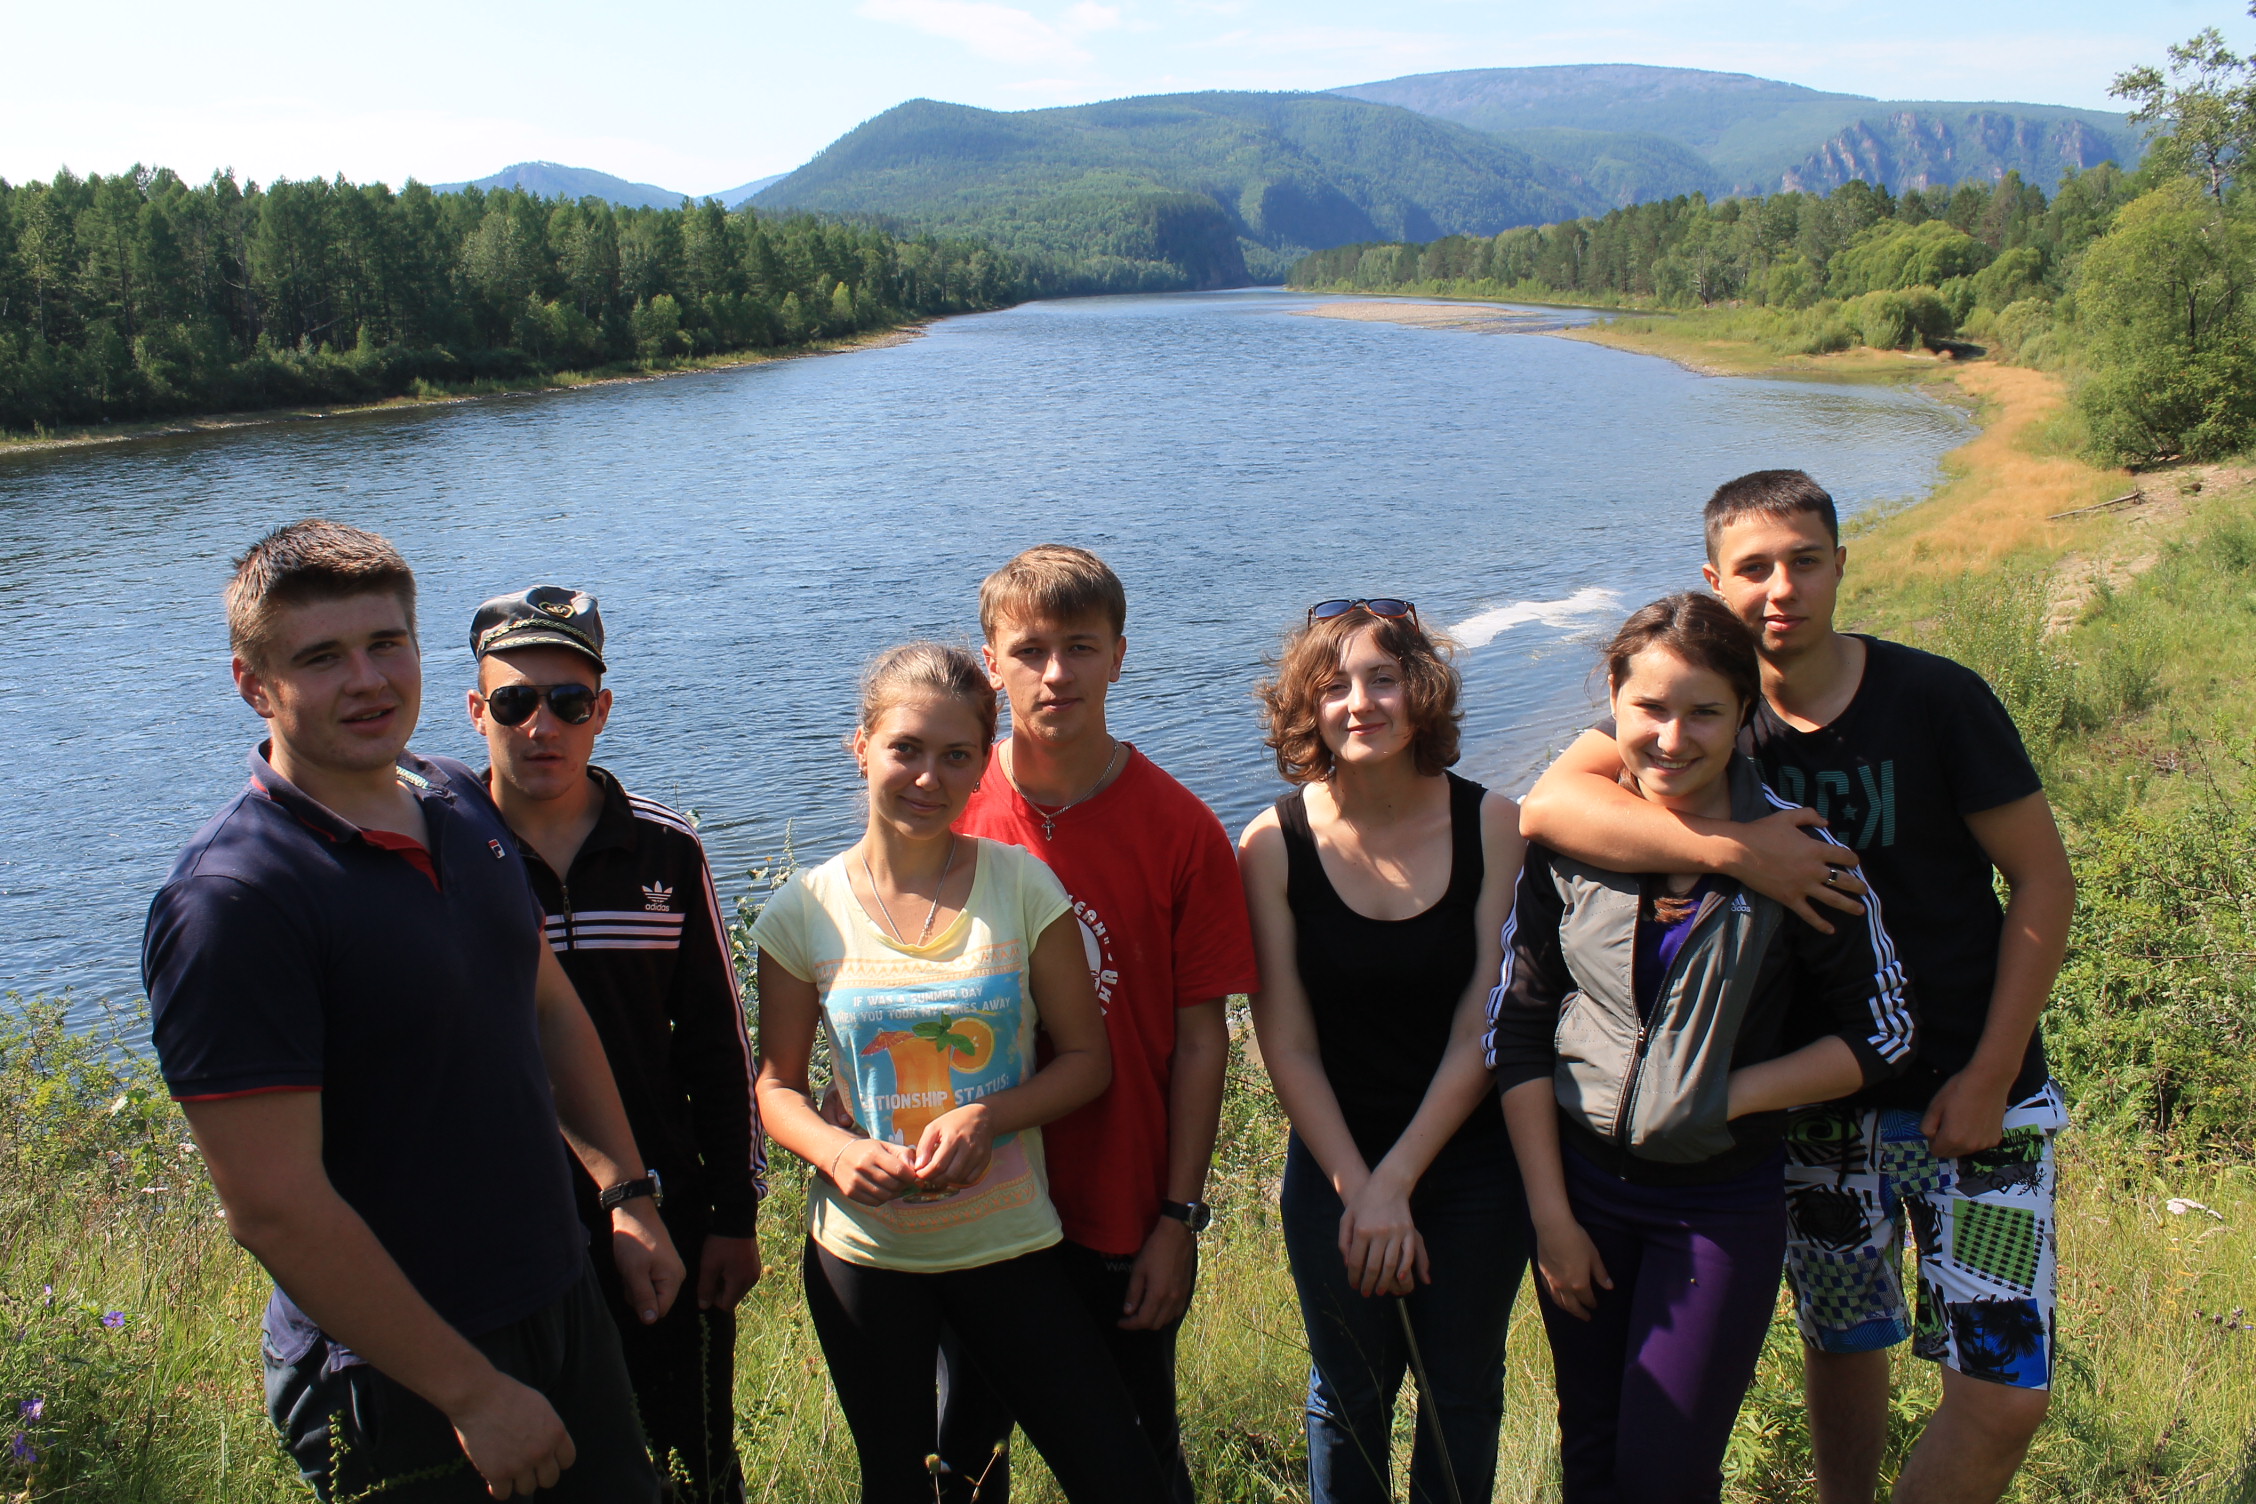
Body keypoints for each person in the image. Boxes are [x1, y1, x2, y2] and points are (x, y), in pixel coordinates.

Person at [1519, 471, 2075, 1504]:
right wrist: (1741, 853)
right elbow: (1549, 806)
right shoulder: (1712, 711)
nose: (1782, 589)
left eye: (1805, 561)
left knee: (2004, 1386)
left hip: (1974, 1093)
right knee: (1844, 1343)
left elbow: (2044, 880)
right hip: (1811, 1112)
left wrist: (1994, 1070)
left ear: (1841, 566)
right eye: (1754, 568)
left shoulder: (1934, 698)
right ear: (1714, 581)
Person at [143, 520, 683, 1503]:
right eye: (321, 657)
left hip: (560, 1300)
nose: (368, 681)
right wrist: (470, 1390)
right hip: (395, 1370)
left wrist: (624, 1190)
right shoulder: (235, 900)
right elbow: (271, 1203)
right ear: (253, 684)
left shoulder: (456, 799)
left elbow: (545, 1004)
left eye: (386, 643)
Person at [1490, 592, 1918, 1504]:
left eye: (1705, 712)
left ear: (1745, 713)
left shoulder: (1800, 852)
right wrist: (1551, 1219)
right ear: (1612, 701)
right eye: (1648, 707)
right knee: (1590, 1453)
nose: (1672, 738)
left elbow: (1884, 1032)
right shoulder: (1572, 843)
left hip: (1718, 1207)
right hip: (1581, 1193)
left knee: (1666, 1473)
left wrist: (1730, 1094)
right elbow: (1519, 1027)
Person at [750, 641, 1168, 1504]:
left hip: (1008, 1244)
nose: (927, 778)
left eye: (955, 756)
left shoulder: (1022, 887)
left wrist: (990, 1117)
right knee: (907, 1487)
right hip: (867, 1256)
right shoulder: (803, 909)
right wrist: (835, 1151)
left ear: (983, 766)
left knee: (1120, 1476)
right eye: (905, 748)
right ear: (861, 747)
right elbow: (777, 1088)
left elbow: (1087, 1062)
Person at [925, 544, 1258, 1503]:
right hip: (975, 1204)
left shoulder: (1182, 830)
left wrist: (1179, 1219)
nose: (1056, 673)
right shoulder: (946, 810)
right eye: (1029, 650)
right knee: (964, 1462)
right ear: (990, 663)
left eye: (1080, 646)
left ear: (1119, 654)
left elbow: (1201, 1040)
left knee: (1137, 1463)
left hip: (1117, 1209)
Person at [466, 585, 765, 1502]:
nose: (541, 727)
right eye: (515, 702)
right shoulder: (446, 858)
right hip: (503, 1225)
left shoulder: (665, 851)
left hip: (663, 1215)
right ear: (476, 711)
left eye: (568, 702)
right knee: (542, 1468)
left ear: (601, 712)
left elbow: (718, 1045)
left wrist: (733, 1215)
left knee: (693, 1456)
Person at [1237, 597, 1528, 1504]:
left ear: (1422, 691)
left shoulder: (1494, 826)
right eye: (1334, 687)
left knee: (1461, 1395)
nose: (1359, 703)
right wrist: (1360, 1187)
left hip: (1474, 1166)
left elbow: (1483, 1023)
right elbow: (1287, 1043)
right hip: (1334, 1162)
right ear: (1307, 708)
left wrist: (1396, 1181)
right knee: (1348, 1396)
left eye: (1383, 679)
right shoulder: (1272, 843)